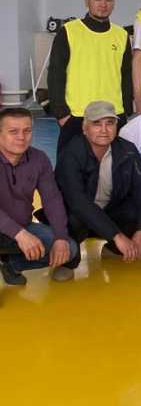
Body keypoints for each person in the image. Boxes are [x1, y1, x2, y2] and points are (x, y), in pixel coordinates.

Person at [53, 101, 141, 274]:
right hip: (79, 216)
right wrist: (117, 236)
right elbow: (78, 202)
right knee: (72, 219)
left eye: (110, 123)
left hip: (109, 210)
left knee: (137, 210)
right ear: (85, 128)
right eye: (97, 124)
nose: (104, 130)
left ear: (116, 126)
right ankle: (68, 261)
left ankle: (112, 249)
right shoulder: (71, 154)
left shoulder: (127, 149)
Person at [48, 0, 133, 153]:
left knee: (113, 167)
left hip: (113, 115)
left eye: (108, 0)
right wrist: (62, 114)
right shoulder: (69, 31)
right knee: (72, 168)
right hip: (77, 116)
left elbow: (126, 75)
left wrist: (126, 111)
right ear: (87, 2)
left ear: (114, 4)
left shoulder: (121, 35)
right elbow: (55, 74)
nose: (103, 4)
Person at [0, 108, 78, 285]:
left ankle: (11, 264)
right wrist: (20, 234)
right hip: (14, 230)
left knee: (70, 249)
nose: (21, 137)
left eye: (27, 130)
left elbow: (52, 200)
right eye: (13, 131)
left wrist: (60, 237)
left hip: (22, 226)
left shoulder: (38, 159)